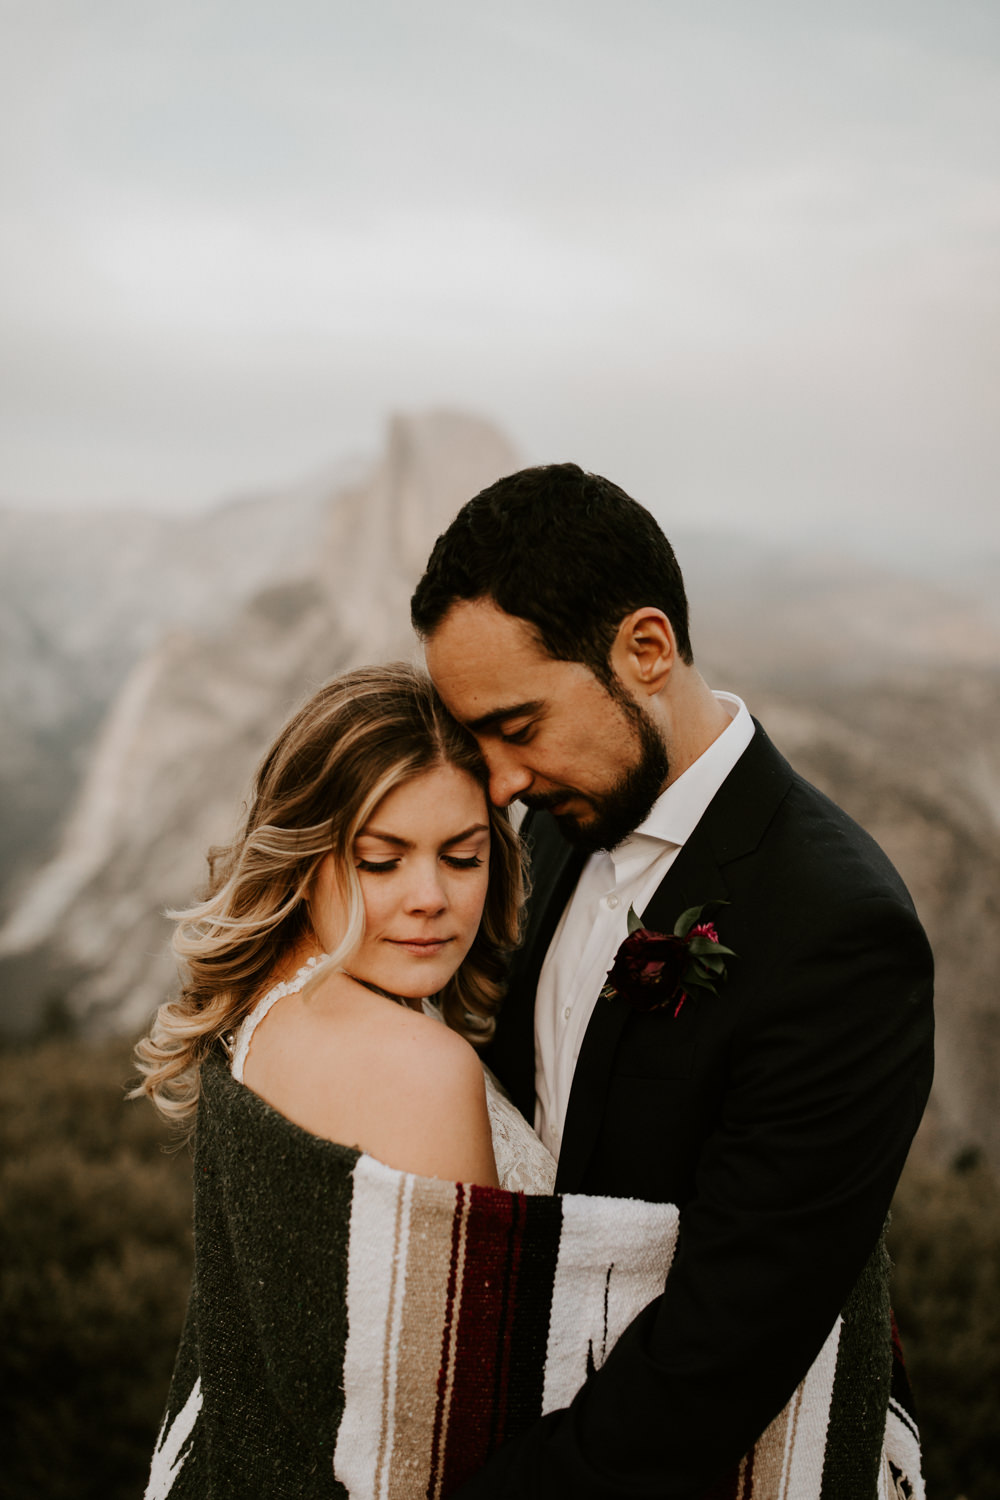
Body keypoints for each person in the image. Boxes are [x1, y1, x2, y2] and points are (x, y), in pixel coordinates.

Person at [411, 462, 935, 1499]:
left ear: (645, 650)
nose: (502, 781)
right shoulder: (554, 829)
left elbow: (728, 1340)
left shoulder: (840, 930)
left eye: (517, 728)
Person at [132, 664, 558, 1498]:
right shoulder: (422, 1069)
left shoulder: (262, 1004)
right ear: (302, 851)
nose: (429, 897)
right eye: (380, 860)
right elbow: (465, 1426)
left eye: (463, 857)